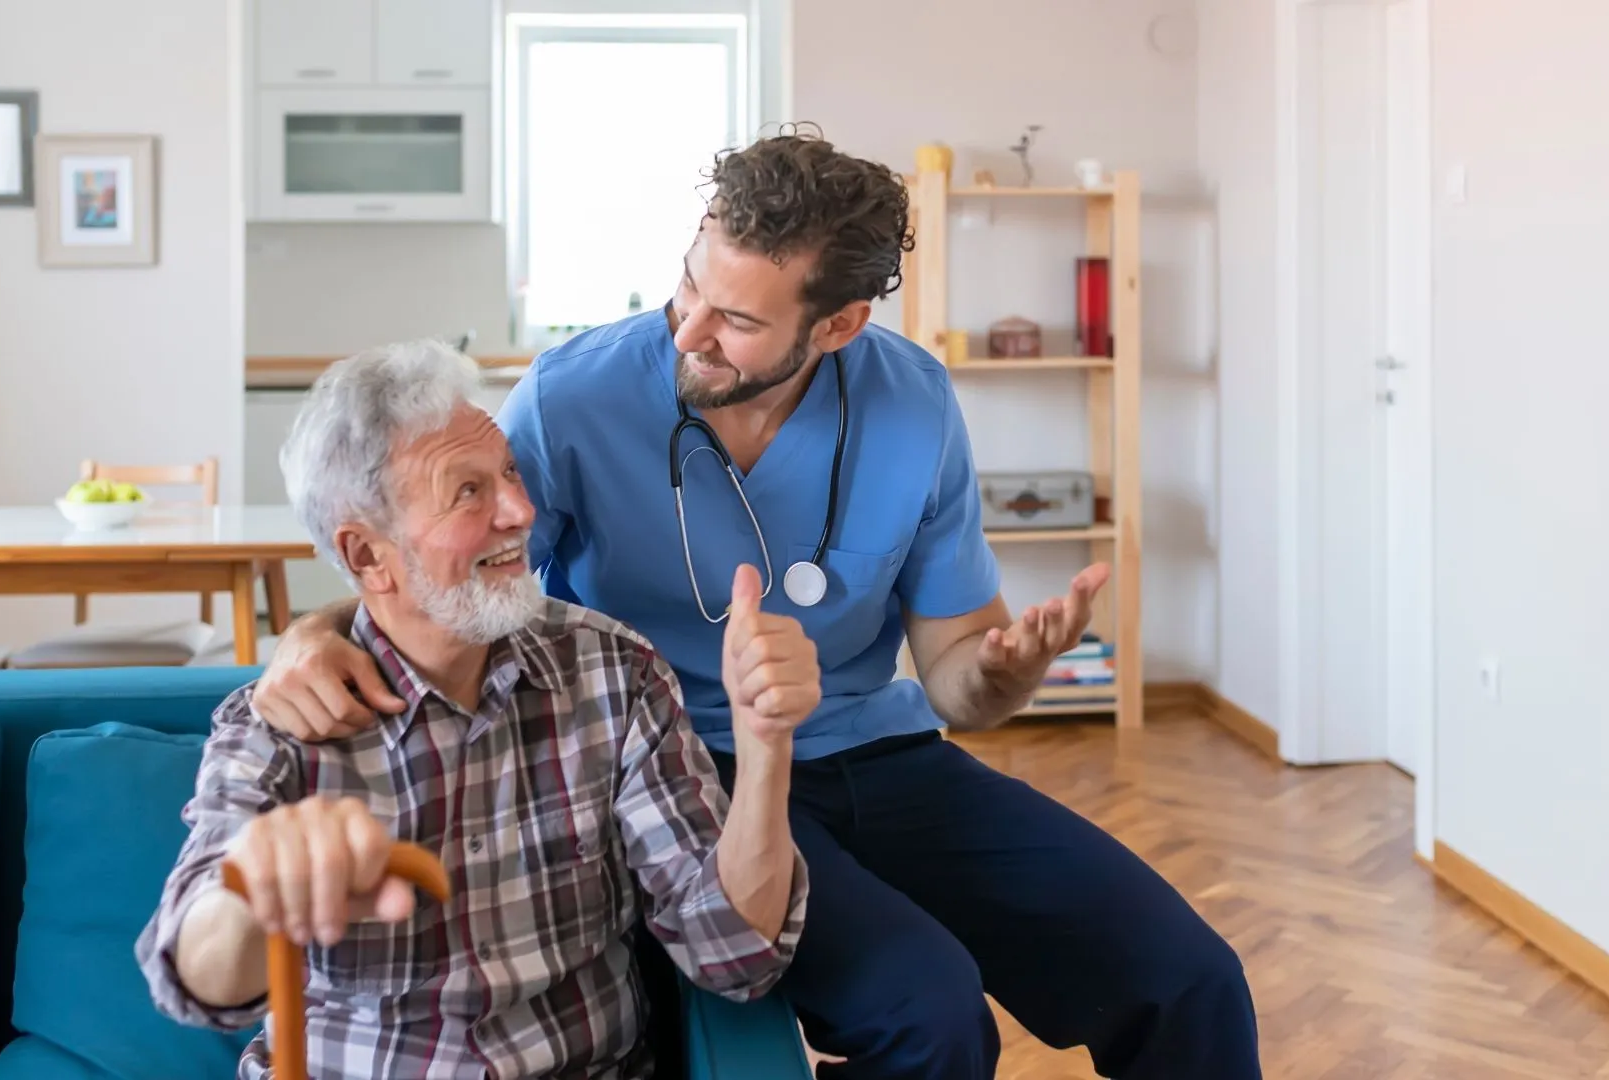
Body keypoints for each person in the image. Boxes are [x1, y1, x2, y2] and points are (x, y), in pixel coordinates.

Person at [250, 129, 1262, 1079]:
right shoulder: (573, 398)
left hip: (888, 760)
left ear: (839, 324)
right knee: (932, 1007)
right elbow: (451, 569)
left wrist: (1003, 671)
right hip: (689, 774)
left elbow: (957, 682)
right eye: (688, 286)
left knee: (1193, 980)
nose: (689, 331)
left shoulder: (913, 401)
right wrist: (310, 632)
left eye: (735, 319)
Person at [134, 340, 812, 1080]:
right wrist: (251, 888)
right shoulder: (279, 724)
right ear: (366, 556)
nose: (521, 511)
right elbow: (196, 985)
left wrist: (765, 744)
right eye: (467, 493)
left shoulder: (614, 675)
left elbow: (734, 959)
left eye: (511, 475)